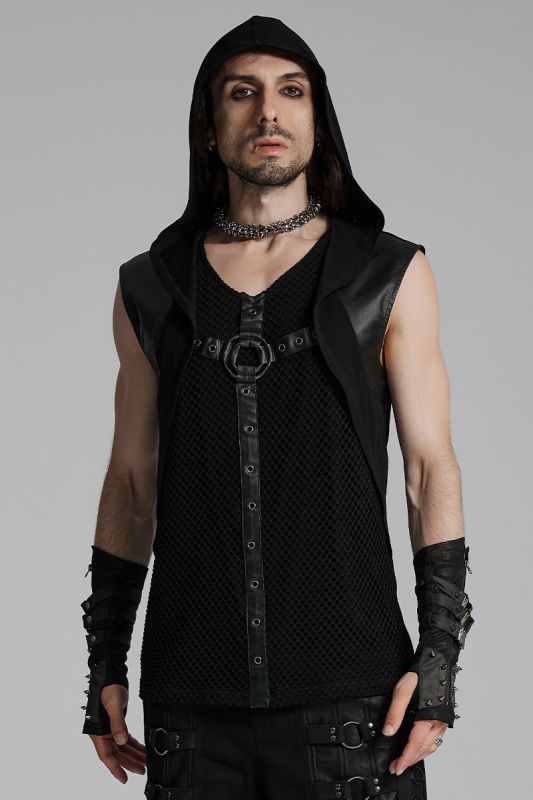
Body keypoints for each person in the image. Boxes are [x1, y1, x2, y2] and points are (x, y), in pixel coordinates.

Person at [80, 15, 474, 800]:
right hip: (192, 703)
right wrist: (104, 662)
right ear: (209, 125)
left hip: (353, 697)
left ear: (317, 120)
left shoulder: (387, 273)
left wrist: (436, 659)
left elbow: (429, 470)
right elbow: (130, 482)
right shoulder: (150, 286)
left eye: (291, 91)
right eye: (242, 92)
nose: (268, 110)